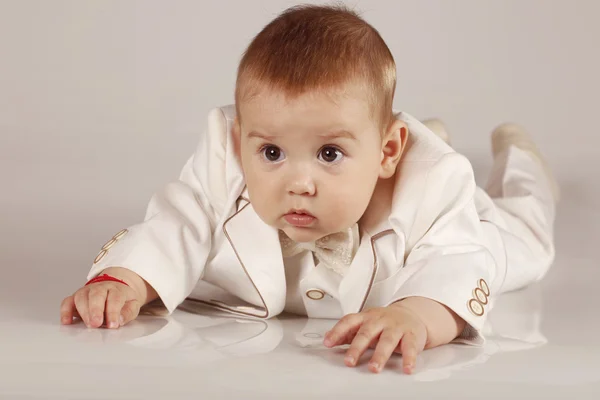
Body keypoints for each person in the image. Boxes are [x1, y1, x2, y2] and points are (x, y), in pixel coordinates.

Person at [59, 4, 558, 374]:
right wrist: (125, 278)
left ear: (389, 153)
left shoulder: (433, 189)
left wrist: (415, 314)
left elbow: (458, 261)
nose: (298, 184)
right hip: (377, 152)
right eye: (272, 154)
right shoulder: (225, 160)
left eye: (329, 154)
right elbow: (178, 222)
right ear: (241, 144)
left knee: (526, 240)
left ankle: (523, 162)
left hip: (457, 220)